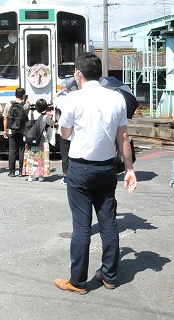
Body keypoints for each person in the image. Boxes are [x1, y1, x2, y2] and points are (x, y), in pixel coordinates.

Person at [54, 52, 137, 294]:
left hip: (80, 168)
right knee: (108, 222)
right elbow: (123, 137)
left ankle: (78, 282)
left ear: (78, 74)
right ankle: (110, 276)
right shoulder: (117, 99)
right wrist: (130, 168)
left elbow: (65, 135)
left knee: (81, 225)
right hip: (107, 168)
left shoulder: (72, 99)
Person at [54, 78, 78, 184]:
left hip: (64, 132)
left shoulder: (64, 100)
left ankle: (66, 177)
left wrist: (62, 91)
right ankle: (75, 176)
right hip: (76, 132)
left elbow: (55, 97)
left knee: (65, 156)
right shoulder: (81, 98)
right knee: (75, 155)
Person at [3, 87, 30, 177]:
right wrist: (27, 103)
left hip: (12, 131)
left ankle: (11, 171)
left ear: (15, 94)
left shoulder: (8, 104)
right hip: (22, 131)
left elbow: (5, 118)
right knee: (21, 150)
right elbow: (27, 116)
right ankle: (22, 171)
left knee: (12, 151)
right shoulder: (26, 105)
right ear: (23, 96)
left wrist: (5, 130)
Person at [26, 99, 55, 182]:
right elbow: (52, 123)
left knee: (32, 156)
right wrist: (52, 116)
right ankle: (40, 175)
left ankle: (31, 176)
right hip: (42, 138)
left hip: (32, 138)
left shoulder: (30, 113)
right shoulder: (45, 117)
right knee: (41, 157)